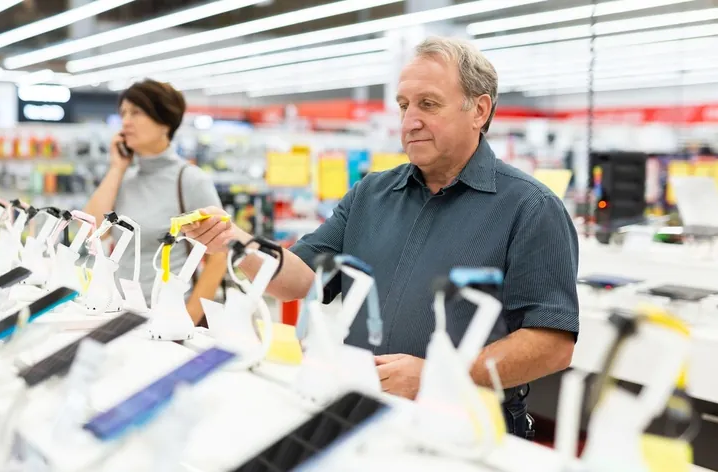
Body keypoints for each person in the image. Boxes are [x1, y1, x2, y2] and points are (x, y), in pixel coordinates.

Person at [182, 37, 579, 438]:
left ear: (478, 110)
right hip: (362, 413)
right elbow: (299, 280)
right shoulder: (371, 193)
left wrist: (434, 376)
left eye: (428, 104)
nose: (409, 122)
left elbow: (551, 343)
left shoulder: (530, 207)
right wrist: (235, 241)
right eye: (404, 106)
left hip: (462, 428)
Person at [84, 79, 227, 324]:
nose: (126, 121)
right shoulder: (124, 178)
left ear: (164, 122)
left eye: (136, 112)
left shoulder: (190, 180)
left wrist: (189, 317)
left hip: (169, 318)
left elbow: (219, 256)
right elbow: (93, 232)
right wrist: (117, 168)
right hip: (118, 313)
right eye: (123, 113)